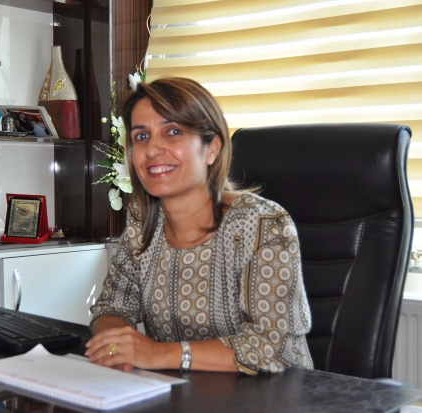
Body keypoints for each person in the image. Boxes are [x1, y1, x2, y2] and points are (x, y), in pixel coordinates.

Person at [85, 77, 314, 375]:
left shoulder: (261, 225)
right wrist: (117, 348)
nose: (152, 149)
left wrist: (159, 354)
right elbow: (112, 307)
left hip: (274, 393)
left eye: (173, 132)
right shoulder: (143, 221)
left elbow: (272, 347)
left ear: (212, 149)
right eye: (141, 136)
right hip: (183, 391)